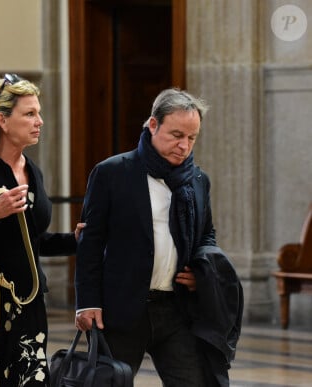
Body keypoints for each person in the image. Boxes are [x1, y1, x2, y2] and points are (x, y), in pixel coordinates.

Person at [74, 88, 242, 386]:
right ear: (153, 125)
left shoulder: (199, 181)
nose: (184, 146)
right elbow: (91, 241)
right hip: (122, 309)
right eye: (176, 135)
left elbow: (207, 235)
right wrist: (87, 302)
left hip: (177, 310)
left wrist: (201, 271)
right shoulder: (111, 173)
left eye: (191, 138)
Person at [0, 74, 83, 386]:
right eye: (29, 114)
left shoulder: (33, 171)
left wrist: (75, 241)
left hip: (29, 304)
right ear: (2, 120)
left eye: (38, 112)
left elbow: (32, 240)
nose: (39, 121)